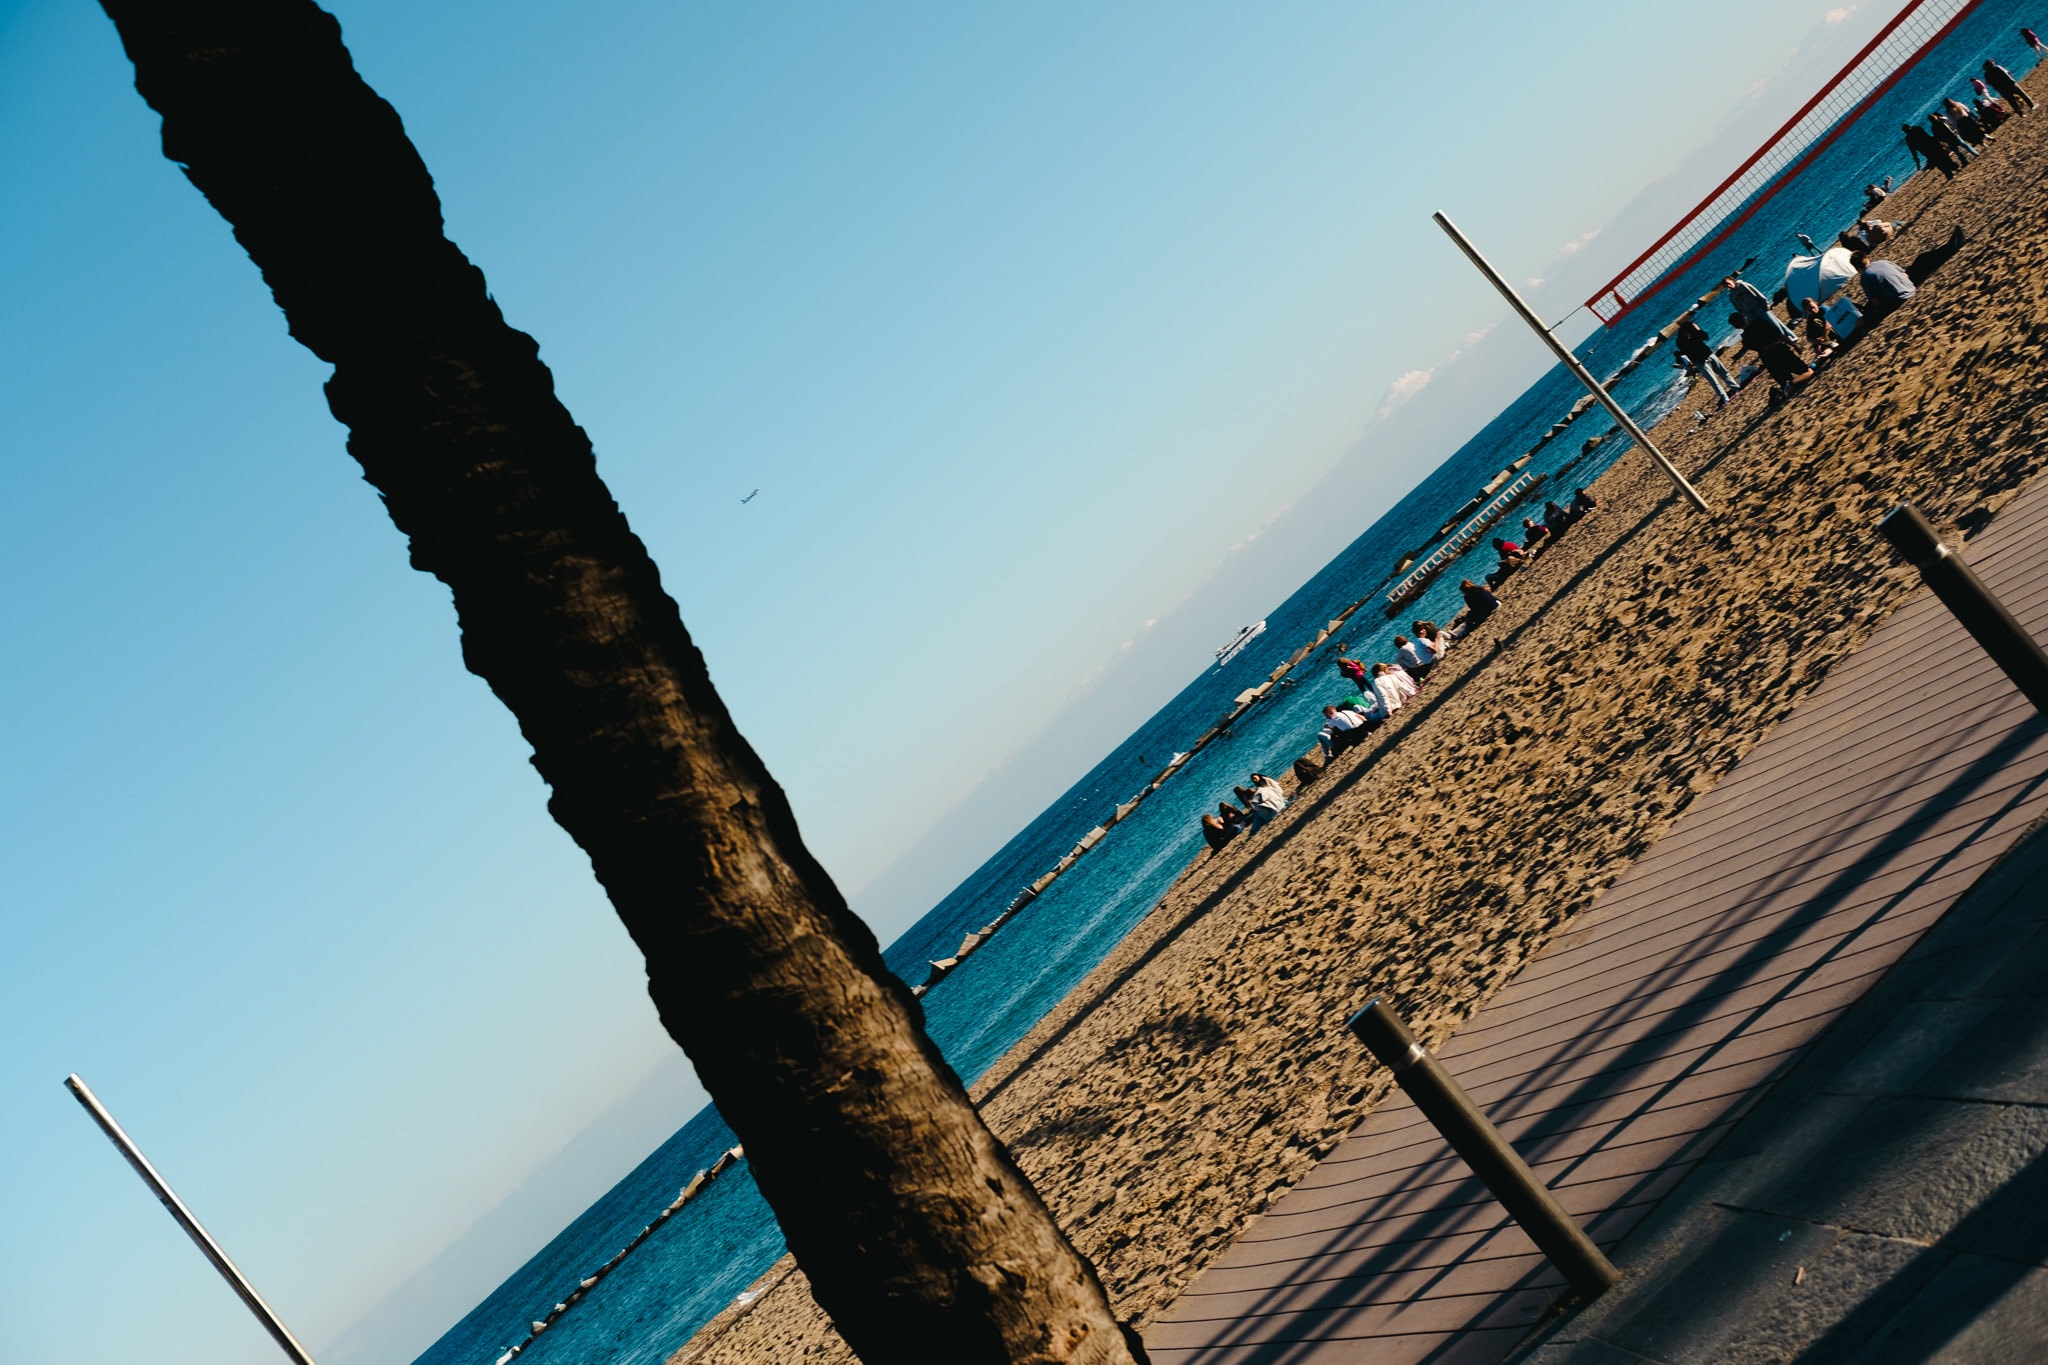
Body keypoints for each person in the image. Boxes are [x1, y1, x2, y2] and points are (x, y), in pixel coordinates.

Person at [1731, 310, 1814, 394]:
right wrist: (1794, 346)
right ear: (1744, 317)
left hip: (1768, 360)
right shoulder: (1760, 323)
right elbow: (1780, 335)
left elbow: (1763, 348)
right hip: (1781, 352)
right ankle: (1791, 384)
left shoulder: (1745, 340)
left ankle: (1789, 385)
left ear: (1737, 327)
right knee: (1808, 371)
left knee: (1786, 381)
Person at [1673, 316, 1737, 404]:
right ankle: (1725, 398)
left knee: (1724, 373)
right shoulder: (1680, 341)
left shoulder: (1694, 332)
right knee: (1714, 381)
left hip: (1708, 354)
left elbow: (1705, 336)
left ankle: (1735, 388)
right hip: (1700, 361)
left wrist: (1698, 330)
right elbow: (1686, 352)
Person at [1723, 274, 1796, 343]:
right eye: (1726, 286)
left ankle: (1789, 336)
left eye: (1728, 283)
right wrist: (1745, 316)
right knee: (1765, 327)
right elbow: (1738, 307)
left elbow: (1756, 292)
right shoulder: (1732, 296)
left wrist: (1765, 303)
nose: (1728, 286)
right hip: (1750, 314)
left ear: (1732, 280)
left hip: (1759, 307)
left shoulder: (1743, 285)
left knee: (1774, 323)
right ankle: (1782, 339)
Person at [1852, 250, 1915, 322]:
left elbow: (1876, 302)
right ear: (1866, 258)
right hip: (1911, 288)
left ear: (1856, 268)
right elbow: (1906, 275)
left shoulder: (1865, 278)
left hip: (1900, 299)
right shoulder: (1883, 262)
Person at [1799, 296, 1840, 361]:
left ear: (1816, 304)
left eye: (1813, 307)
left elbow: (1828, 325)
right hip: (1827, 338)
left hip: (1837, 329)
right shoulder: (1810, 320)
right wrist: (1816, 341)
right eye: (1810, 310)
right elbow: (1809, 338)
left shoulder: (1824, 310)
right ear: (1806, 312)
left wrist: (1822, 337)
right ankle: (1825, 352)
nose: (1813, 310)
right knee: (1816, 343)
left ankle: (1829, 350)